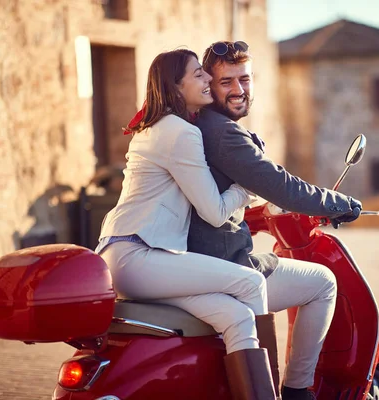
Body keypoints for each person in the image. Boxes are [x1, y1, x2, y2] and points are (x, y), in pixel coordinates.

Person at [96, 49, 277, 400]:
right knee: (252, 282)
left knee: (236, 315)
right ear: (176, 88)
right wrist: (247, 187)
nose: (208, 79)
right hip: (139, 255)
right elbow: (214, 211)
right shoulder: (180, 132)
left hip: (127, 254)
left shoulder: (157, 127)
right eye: (198, 74)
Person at [188, 41, 363, 399]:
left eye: (245, 79)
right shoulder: (224, 133)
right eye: (227, 82)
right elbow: (281, 186)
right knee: (323, 283)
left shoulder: (200, 125)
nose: (239, 90)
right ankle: (298, 390)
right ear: (209, 84)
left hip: (195, 257)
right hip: (223, 265)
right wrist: (338, 203)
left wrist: (250, 217)